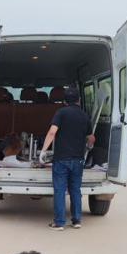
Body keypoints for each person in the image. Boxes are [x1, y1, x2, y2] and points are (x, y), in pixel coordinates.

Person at [39, 86, 94, 230]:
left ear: (64, 100)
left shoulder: (61, 113)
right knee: (75, 190)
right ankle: (76, 221)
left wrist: (43, 151)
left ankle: (59, 223)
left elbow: (52, 132)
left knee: (59, 191)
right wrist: (90, 146)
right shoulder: (84, 115)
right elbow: (91, 138)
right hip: (77, 159)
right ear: (79, 99)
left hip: (61, 159)